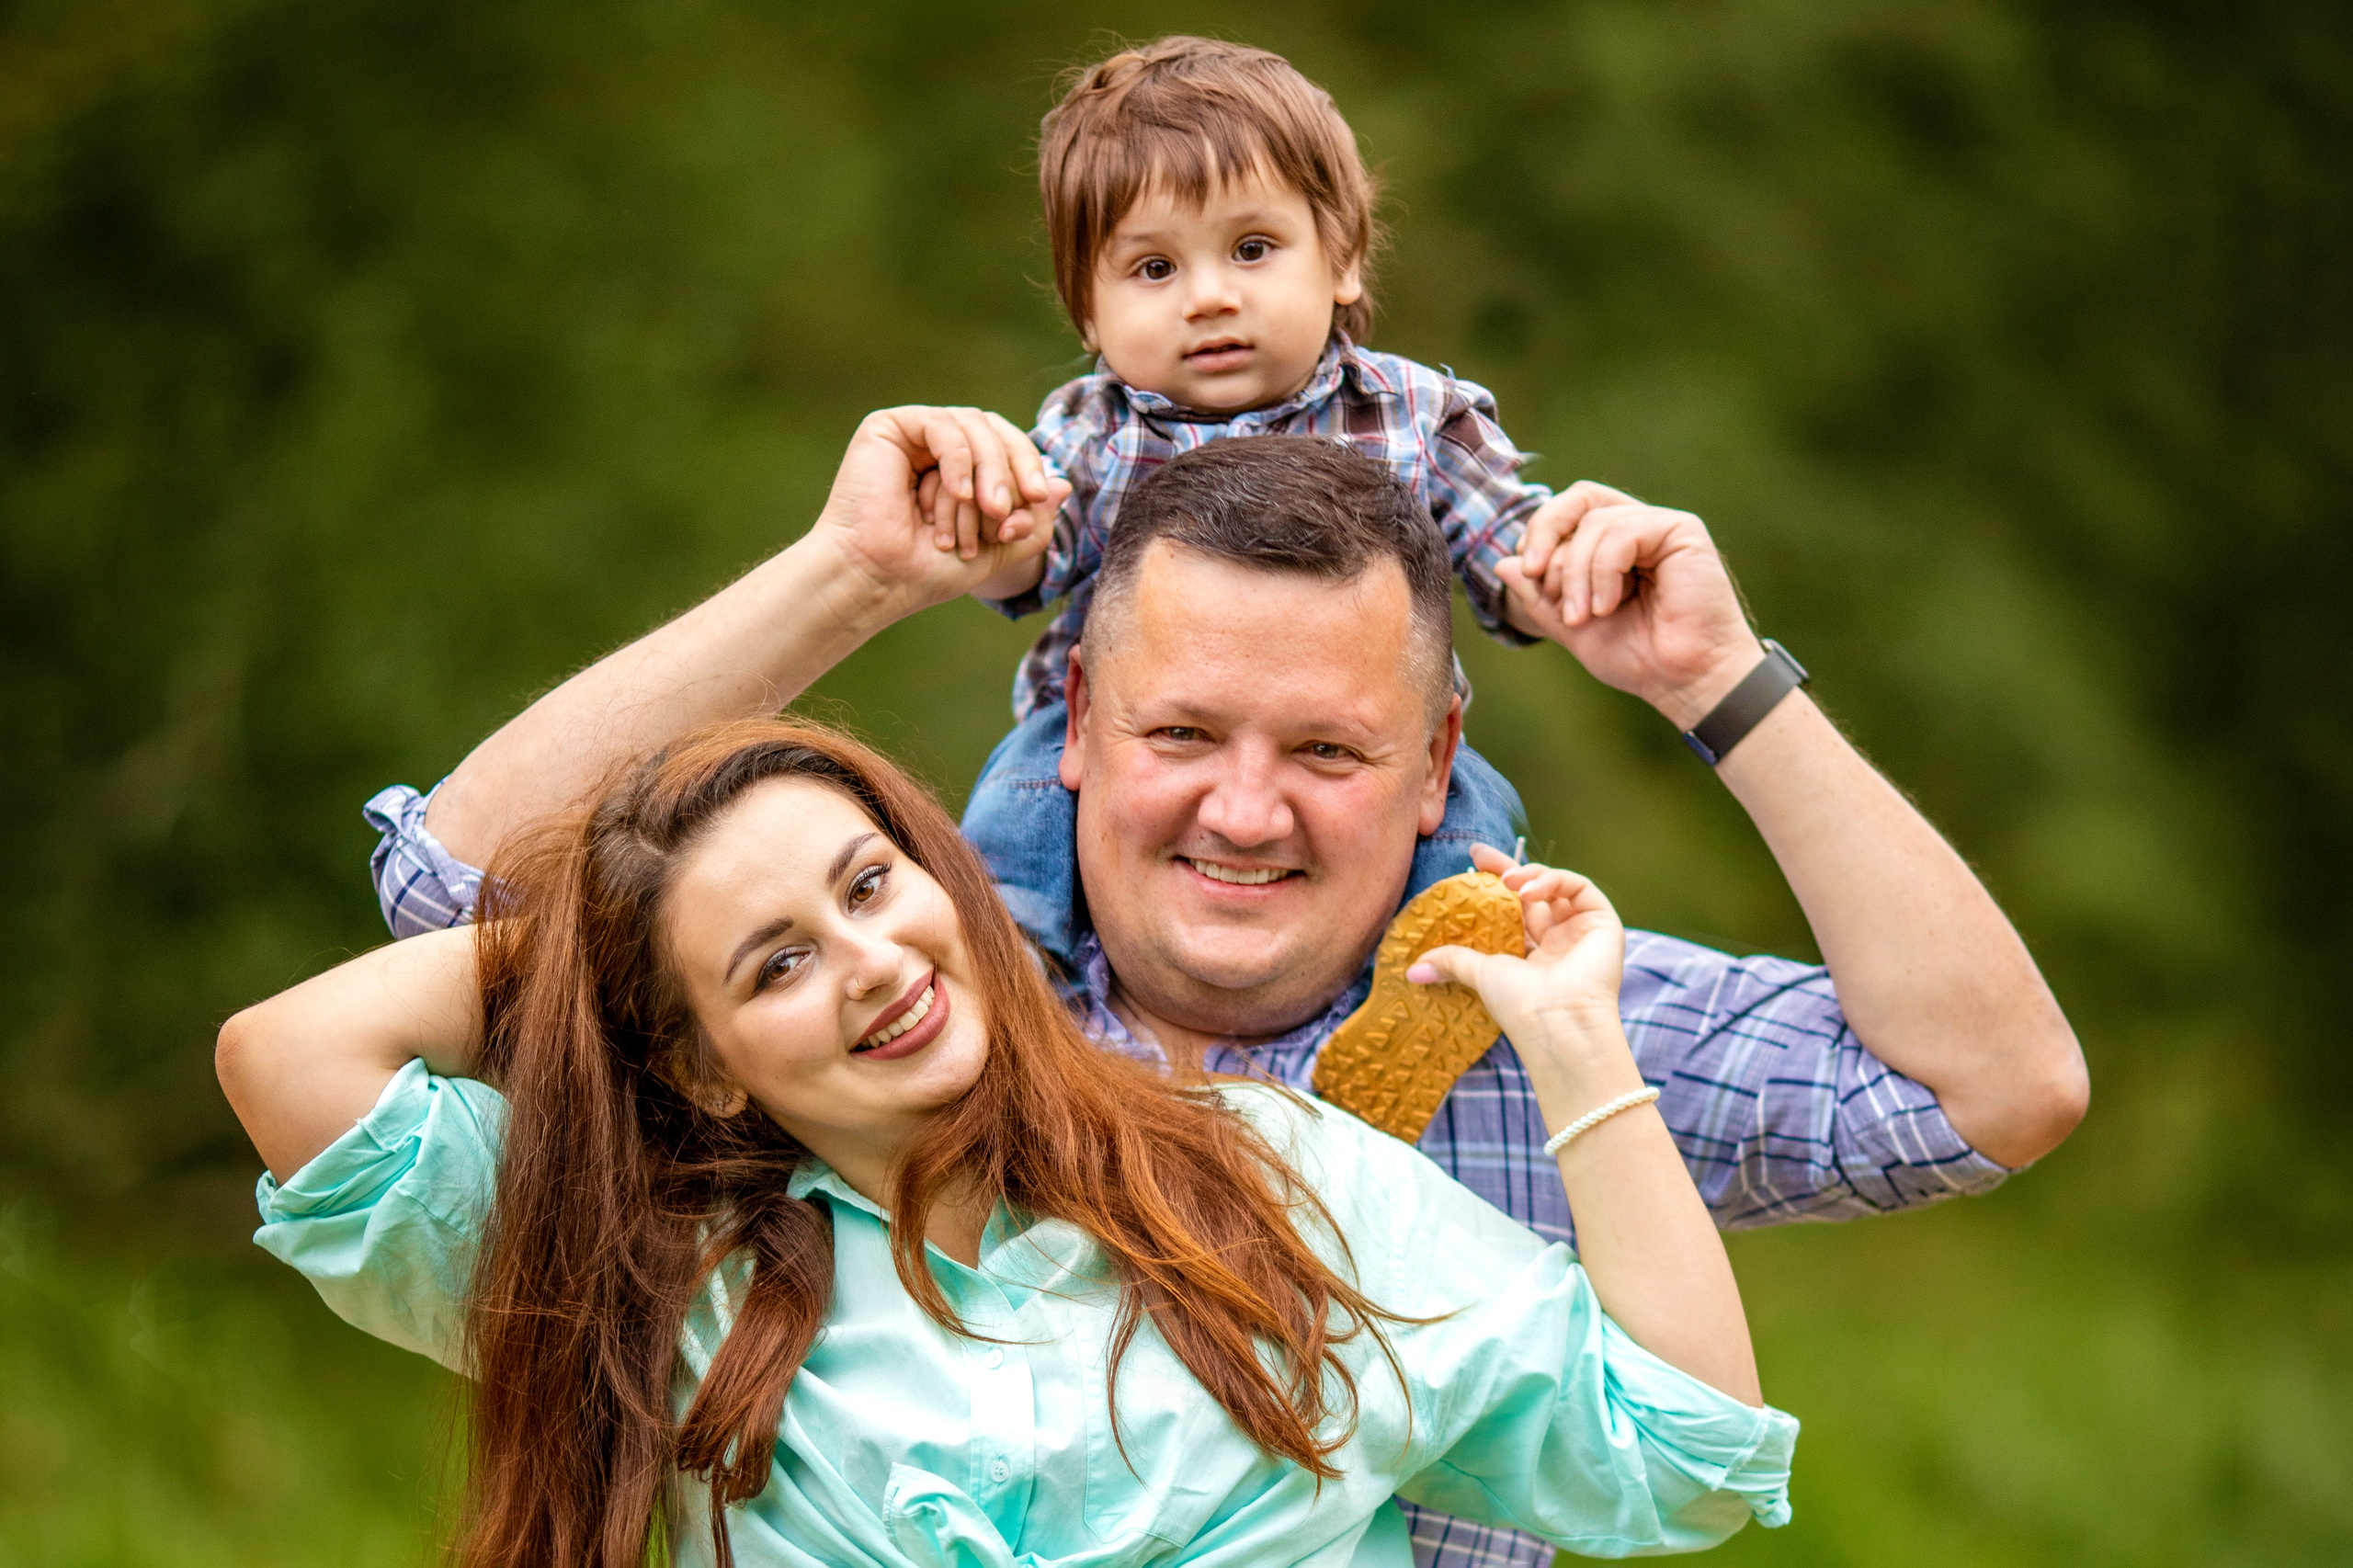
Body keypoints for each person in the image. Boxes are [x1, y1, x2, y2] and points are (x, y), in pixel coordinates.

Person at [364, 414, 2087, 1568]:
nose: (1245, 812)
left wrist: (1726, 684)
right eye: (1183, 732)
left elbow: (1992, 1088)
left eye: (1329, 751)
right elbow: (457, 889)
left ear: (1435, 766)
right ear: (1081, 733)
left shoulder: (1545, 993)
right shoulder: (900, 1010)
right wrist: (858, 575)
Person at [217, 719, 1799, 1565]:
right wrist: (606, 942)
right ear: (699, 1065)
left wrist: (1581, 1047)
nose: (872, 962)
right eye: (773, 964)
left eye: (867, 882)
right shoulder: (660, 1275)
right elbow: (289, 1057)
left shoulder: (1270, 1171)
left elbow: (1685, 1448)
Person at [954, 37, 1575, 945]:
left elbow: (1503, 548)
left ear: (1342, 259)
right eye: (1154, 269)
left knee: (1473, 821)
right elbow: (1027, 568)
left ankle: (1440, 970)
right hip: (1127, 734)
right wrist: (987, 525)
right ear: (1088, 311)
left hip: (1353, 742)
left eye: (1251, 248)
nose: (1207, 297)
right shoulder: (1093, 429)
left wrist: (1565, 569)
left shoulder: (1409, 412)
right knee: (1014, 810)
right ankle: (1017, 961)